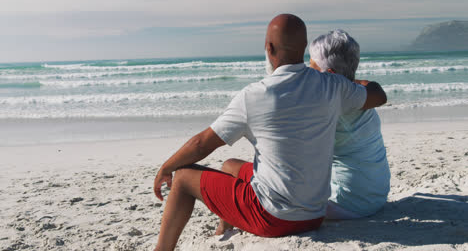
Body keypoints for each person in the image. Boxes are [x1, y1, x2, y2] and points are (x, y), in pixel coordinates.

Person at [152, 14, 387, 251]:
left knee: (182, 177)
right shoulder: (332, 86)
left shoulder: (254, 95)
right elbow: (377, 94)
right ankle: (225, 228)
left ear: (269, 47)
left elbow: (201, 144)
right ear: (304, 48)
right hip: (314, 215)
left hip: (273, 218)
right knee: (229, 166)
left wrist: (165, 168)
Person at [308, 29, 391, 219]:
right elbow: (375, 89)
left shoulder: (328, 104)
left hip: (346, 203)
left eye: (311, 65)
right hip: (376, 197)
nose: (307, 70)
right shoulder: (363, 95)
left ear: (329, 74)